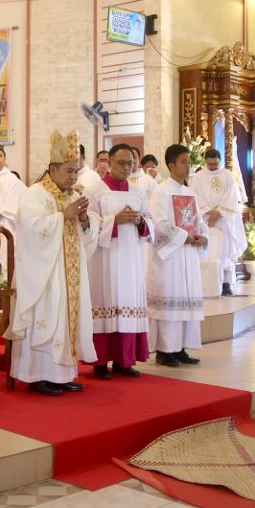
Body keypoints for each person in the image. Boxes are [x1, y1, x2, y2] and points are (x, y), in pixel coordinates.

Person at [6, 130, 99, 396]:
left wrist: (83, 220)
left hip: (68, 273)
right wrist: (62, 217)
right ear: (53, 169)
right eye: (69, 171)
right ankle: (37, 375)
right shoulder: (36, 194)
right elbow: (28, 230)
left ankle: (62, 373)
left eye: (76, 172)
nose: (73, 177)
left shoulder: (71, 194)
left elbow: (86, 234)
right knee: (48, 316)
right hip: (43, 273)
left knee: (66, 317)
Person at [83, 143, 154, 379]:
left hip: (131, 257)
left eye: (131, 163)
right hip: (105, 258)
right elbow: (87, 224)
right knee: (105, 302)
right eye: (122, 163)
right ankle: (101, 362)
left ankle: (125, 361)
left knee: (128, 303)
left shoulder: (138, 191)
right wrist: (115, 220)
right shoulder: (94, 189)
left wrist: (140, 223)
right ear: (109, 162)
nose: (127, 168)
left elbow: (151, 222)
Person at [147, 144, 208, 367]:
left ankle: (180, 347)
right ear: (172, 165)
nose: (188, 166)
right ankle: (165, 351)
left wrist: (202, 236)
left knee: (186, 300)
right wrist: (185, 236)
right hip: (170, 257)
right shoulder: (161, 191)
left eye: (189, 161)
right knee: (171, 300)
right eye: (184, 162)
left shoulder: (189, 192)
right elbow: (158, 224)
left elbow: (199, 221)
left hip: (188, 254)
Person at [190, 148, 246, 297]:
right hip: (206, 219)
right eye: (210, 164)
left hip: (223, 219)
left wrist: (218, 212)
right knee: (209, 252)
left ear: (219, 161)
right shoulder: (198, 176)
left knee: (224, 251)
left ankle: (226, 284)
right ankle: (207, 284)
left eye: (215, 164)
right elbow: (195, 196)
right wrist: (209, 211)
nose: (213, 167)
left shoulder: (227, 175)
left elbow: (231, 196)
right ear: (205, 162)